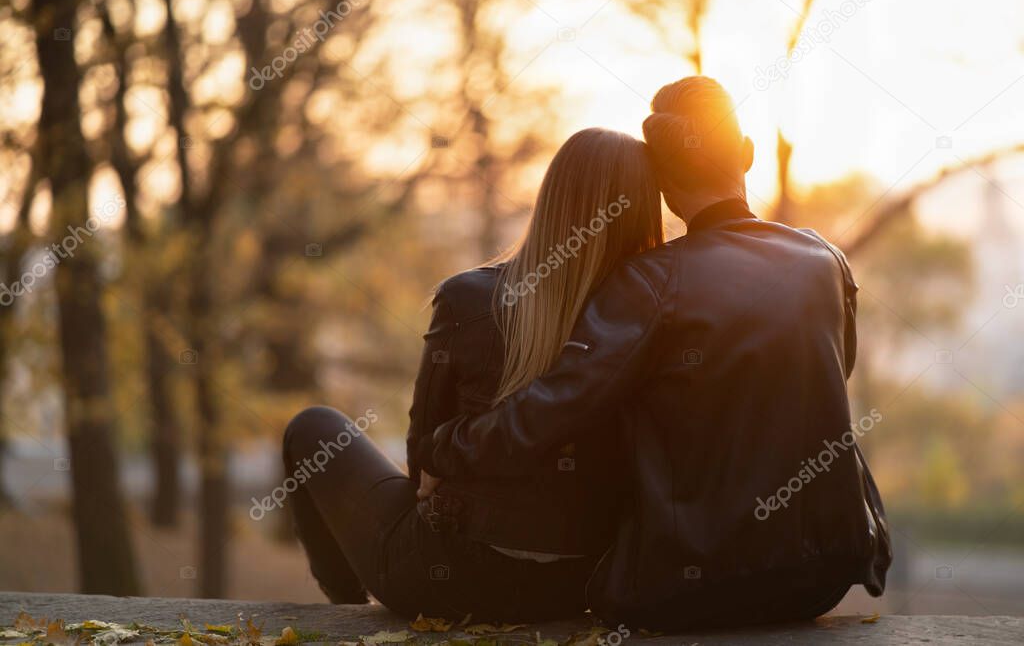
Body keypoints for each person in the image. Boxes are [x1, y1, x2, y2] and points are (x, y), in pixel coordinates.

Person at [415, 76, 892, 630]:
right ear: (747, 155)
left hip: (694, 585)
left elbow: (546, 414)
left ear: (660, 181)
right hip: (821, 577)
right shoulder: (824, 260)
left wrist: (440, 450)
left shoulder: (649, 281)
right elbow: (831, 373)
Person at [282, 128, 664, 621]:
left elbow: (422, 459)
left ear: (551, 199)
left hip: (450, 580)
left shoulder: (470, 299)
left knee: (311, 429)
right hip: (582, 585)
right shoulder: (654, 319)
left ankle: (345, 613)